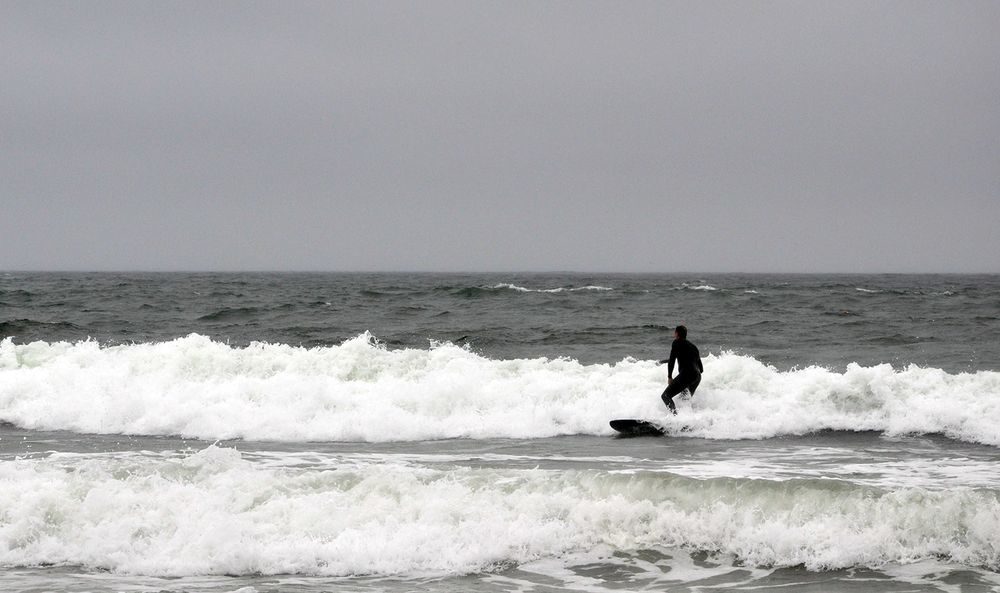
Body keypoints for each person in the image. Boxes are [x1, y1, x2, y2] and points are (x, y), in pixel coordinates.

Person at [658, 325, 703, 414]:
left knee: (665, 396)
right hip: (697, 377)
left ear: (677, 333)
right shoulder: (694, 347)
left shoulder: (676, 342)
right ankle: (688, 419)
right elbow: (701, 369)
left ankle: (675, 419)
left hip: (687, 374)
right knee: (684, 399)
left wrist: (670, 377)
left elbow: (672, 361)